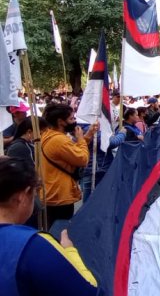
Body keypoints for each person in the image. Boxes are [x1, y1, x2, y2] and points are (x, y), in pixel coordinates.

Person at [0, 156, 98, 295]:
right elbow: (89, 291)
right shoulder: (31, 245)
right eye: (34, 194)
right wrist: (70, 251)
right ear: (22, 196)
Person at [41, 103, 96, 228]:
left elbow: (71, 152)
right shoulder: (59, 140)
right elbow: (82, 159)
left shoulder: (49, 135)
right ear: (61, 122)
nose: (75, 121)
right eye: (71, 118)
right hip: (59, 195)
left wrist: (88, 135)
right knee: (60, 231)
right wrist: (81, 139)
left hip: (53, 192)